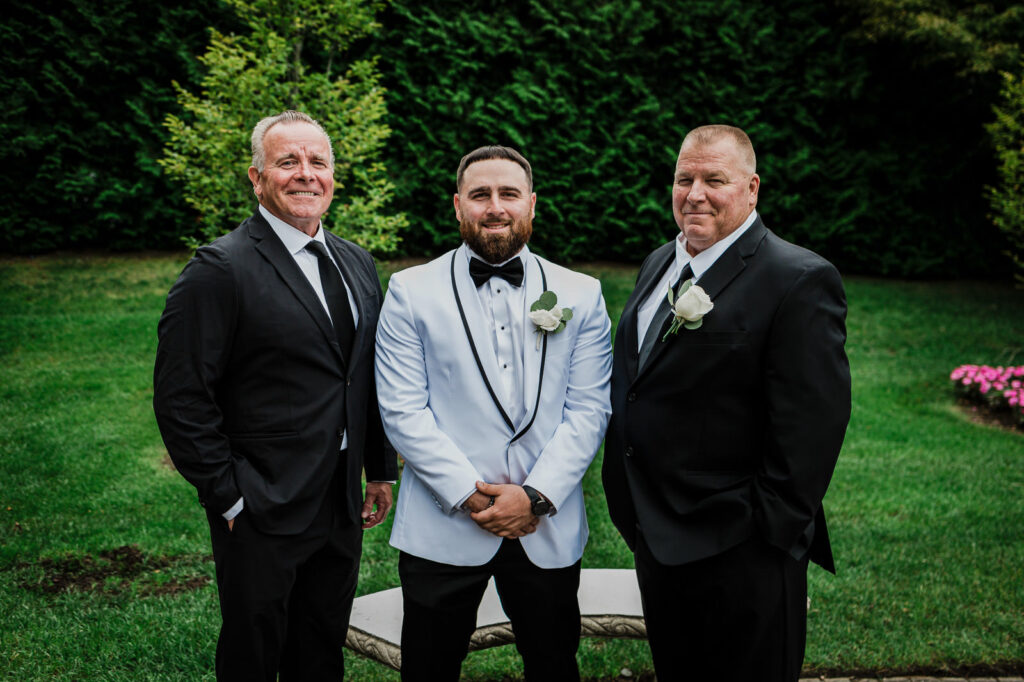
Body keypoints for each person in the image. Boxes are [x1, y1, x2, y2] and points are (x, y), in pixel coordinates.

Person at [153, 110, 397, 681]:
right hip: (261, 502)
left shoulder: (356, 261)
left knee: (320, 647)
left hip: (339, 501)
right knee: (254, 653)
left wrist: (378, 469)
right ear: (257, 178)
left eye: (318, 161)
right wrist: (229, 495)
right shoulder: (220, 269)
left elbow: (365, 375)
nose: (305, 174)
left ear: (333, 175)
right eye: (288, 161)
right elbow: (182, 397)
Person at [602, 125, 851, 681]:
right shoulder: (657, 265)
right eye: (683, 178)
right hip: (658, 538)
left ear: (752, 188)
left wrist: (766, 533)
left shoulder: (798, 278)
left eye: (715, 179)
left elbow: (814, 423)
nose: (695, 193)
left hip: (743, 550)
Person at [374, 145, 613, 681]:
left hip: (544, 525)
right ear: (458, 206)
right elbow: (402, 410)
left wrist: (534, 496)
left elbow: (590, 409)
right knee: (429, 669)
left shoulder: (583, 293)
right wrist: (471, 494)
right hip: (444, 521)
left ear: (532, 204)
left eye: (509, 194)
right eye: (480, 195)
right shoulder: (410, 292)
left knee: (553, 665)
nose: (495, 206)